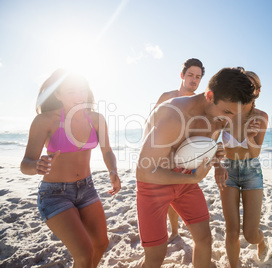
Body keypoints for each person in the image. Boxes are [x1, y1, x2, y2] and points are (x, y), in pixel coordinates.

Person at [136, 67, 255, 267]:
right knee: (156, 254)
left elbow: (207, 144)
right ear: (209, 96)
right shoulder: (175, 116)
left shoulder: (219, 116)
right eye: (226, 112)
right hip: (155, 183)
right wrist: (193, 178)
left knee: (204, 239)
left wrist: (217, 162)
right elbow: (144, 170)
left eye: (234, 115)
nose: (229, 120)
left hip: (186, 182)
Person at [20, 69, 121, 267]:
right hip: (55, 194)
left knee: (101, 243)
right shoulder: (45, 121)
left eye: (82, 91)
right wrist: (37, 166)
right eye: (71, 92)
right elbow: (26, 164)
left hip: (86, 188)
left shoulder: (96, 119)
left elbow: (107, 150)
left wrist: (113, 170)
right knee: (84, 253)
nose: (79, 97)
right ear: (57, 95)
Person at [214, 68, 268, 267]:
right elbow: (210, 144)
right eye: (245, 82)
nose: (249, 87)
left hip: (252, 171)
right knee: (232, 231)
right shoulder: (225, 114)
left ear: (257, 91)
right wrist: (216, 164)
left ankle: (261, 241)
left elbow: (254, 153)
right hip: (228, 171)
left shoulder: (261, 116)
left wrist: (252, 137)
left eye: (253, 85)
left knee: (251, 234)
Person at [152, 58, 205, 243]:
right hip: (162, 157)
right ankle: (169, 233)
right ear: (182, 75)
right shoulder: (167, 97)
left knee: (178, 198)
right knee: (163, 200)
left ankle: (178, 231)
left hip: (184, 158)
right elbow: (150, 123)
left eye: (198, 77)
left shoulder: (200, 104)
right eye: (190, 75)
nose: (194, 80)